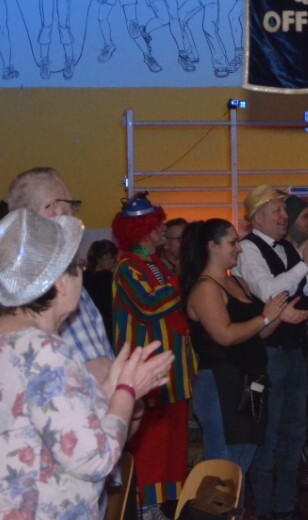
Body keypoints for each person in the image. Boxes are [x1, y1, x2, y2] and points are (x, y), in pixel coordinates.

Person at [0, 209, 174, 520]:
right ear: (60, 284)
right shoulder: (44, 351)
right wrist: (127, 390)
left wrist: (110, 391)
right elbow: (95, 459)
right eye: (78, 266)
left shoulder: (14, 342)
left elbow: (49, 429)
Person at [182, 219, 308, 471]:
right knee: (223, 465)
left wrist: (277, 317)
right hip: (221, 382)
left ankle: (239, 500)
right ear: (212, 246)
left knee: (245, 455)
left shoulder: (238, 282)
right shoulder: (205, 287)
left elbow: (256, 334)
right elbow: (226, 335)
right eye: (233, 243)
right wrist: (265, 317)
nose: (239, 249)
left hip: (252, 380)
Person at [236, 185, 308, 520]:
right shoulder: (247, 250)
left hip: (293, 351)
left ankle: (286, 506)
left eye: (282, 211)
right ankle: (263, 509)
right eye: (275, 211)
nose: (282, 216)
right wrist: (305, 264)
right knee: (264, 432)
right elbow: (269, 292)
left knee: (294, 431)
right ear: (256, 218)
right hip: (262, 357)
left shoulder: (288, 248)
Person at [110, 192, 197, 515]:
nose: (163, 229)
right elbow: (149, 304)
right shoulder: (127, 268)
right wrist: (180, 280)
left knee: (174, 445)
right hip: (148, 376)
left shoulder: (158, 264)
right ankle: (146, 506)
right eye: (158, 225)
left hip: (173, 374)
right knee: (152, 445)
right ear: (144, 229)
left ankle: (163, 504)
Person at [7, 168, 115, 385]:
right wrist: (128, 387)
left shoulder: (12, 280)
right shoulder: (57, 279)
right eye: (71, 205)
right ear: (53, 209)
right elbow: (96, 370)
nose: (74, 214)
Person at [85, 238, 118, 340]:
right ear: (105, 257)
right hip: (109, 327)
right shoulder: (112, 278)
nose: (115, 262)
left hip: (89, 328)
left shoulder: (82, 277)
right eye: (114, 259)